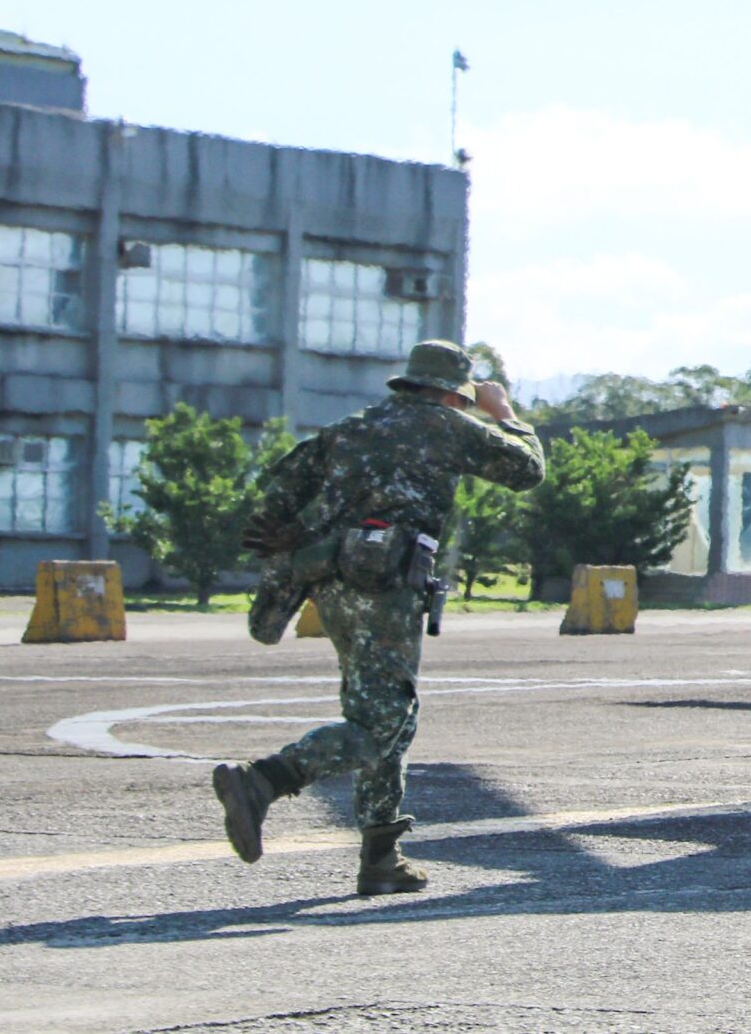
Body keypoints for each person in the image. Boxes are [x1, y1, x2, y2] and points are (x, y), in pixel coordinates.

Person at [213, 340, 545, 896]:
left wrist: (294, 542)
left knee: (388, 713)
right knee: (382, 719)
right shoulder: (445, 426)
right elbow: (527, 469)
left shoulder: (351, 428)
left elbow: (277, 492)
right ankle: (265, 779)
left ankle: (381, 857)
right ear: (451, 394)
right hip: (385, 586)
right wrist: (505, 413)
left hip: (331, 582)